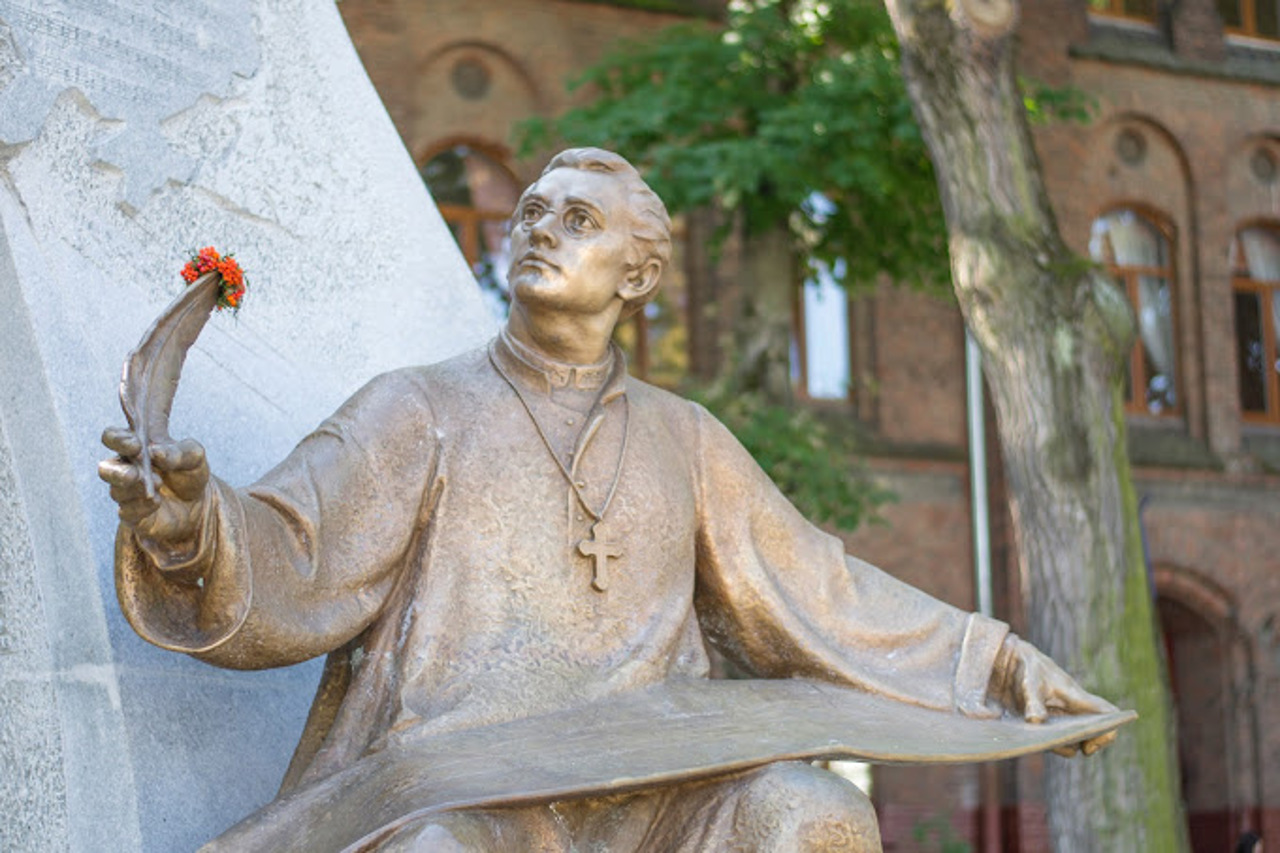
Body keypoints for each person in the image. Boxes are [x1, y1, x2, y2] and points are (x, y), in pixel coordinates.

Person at [100, 148, 1116, 852]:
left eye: (574, 219)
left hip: (661, 795)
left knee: (811, 818)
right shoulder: (417, 407)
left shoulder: (686, 438)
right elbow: (293, 547)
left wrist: (998, 661)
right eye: (531, 212)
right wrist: (190, 522)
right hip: (470, 791)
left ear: (637, 271)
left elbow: (824, 592)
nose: (537, 229)